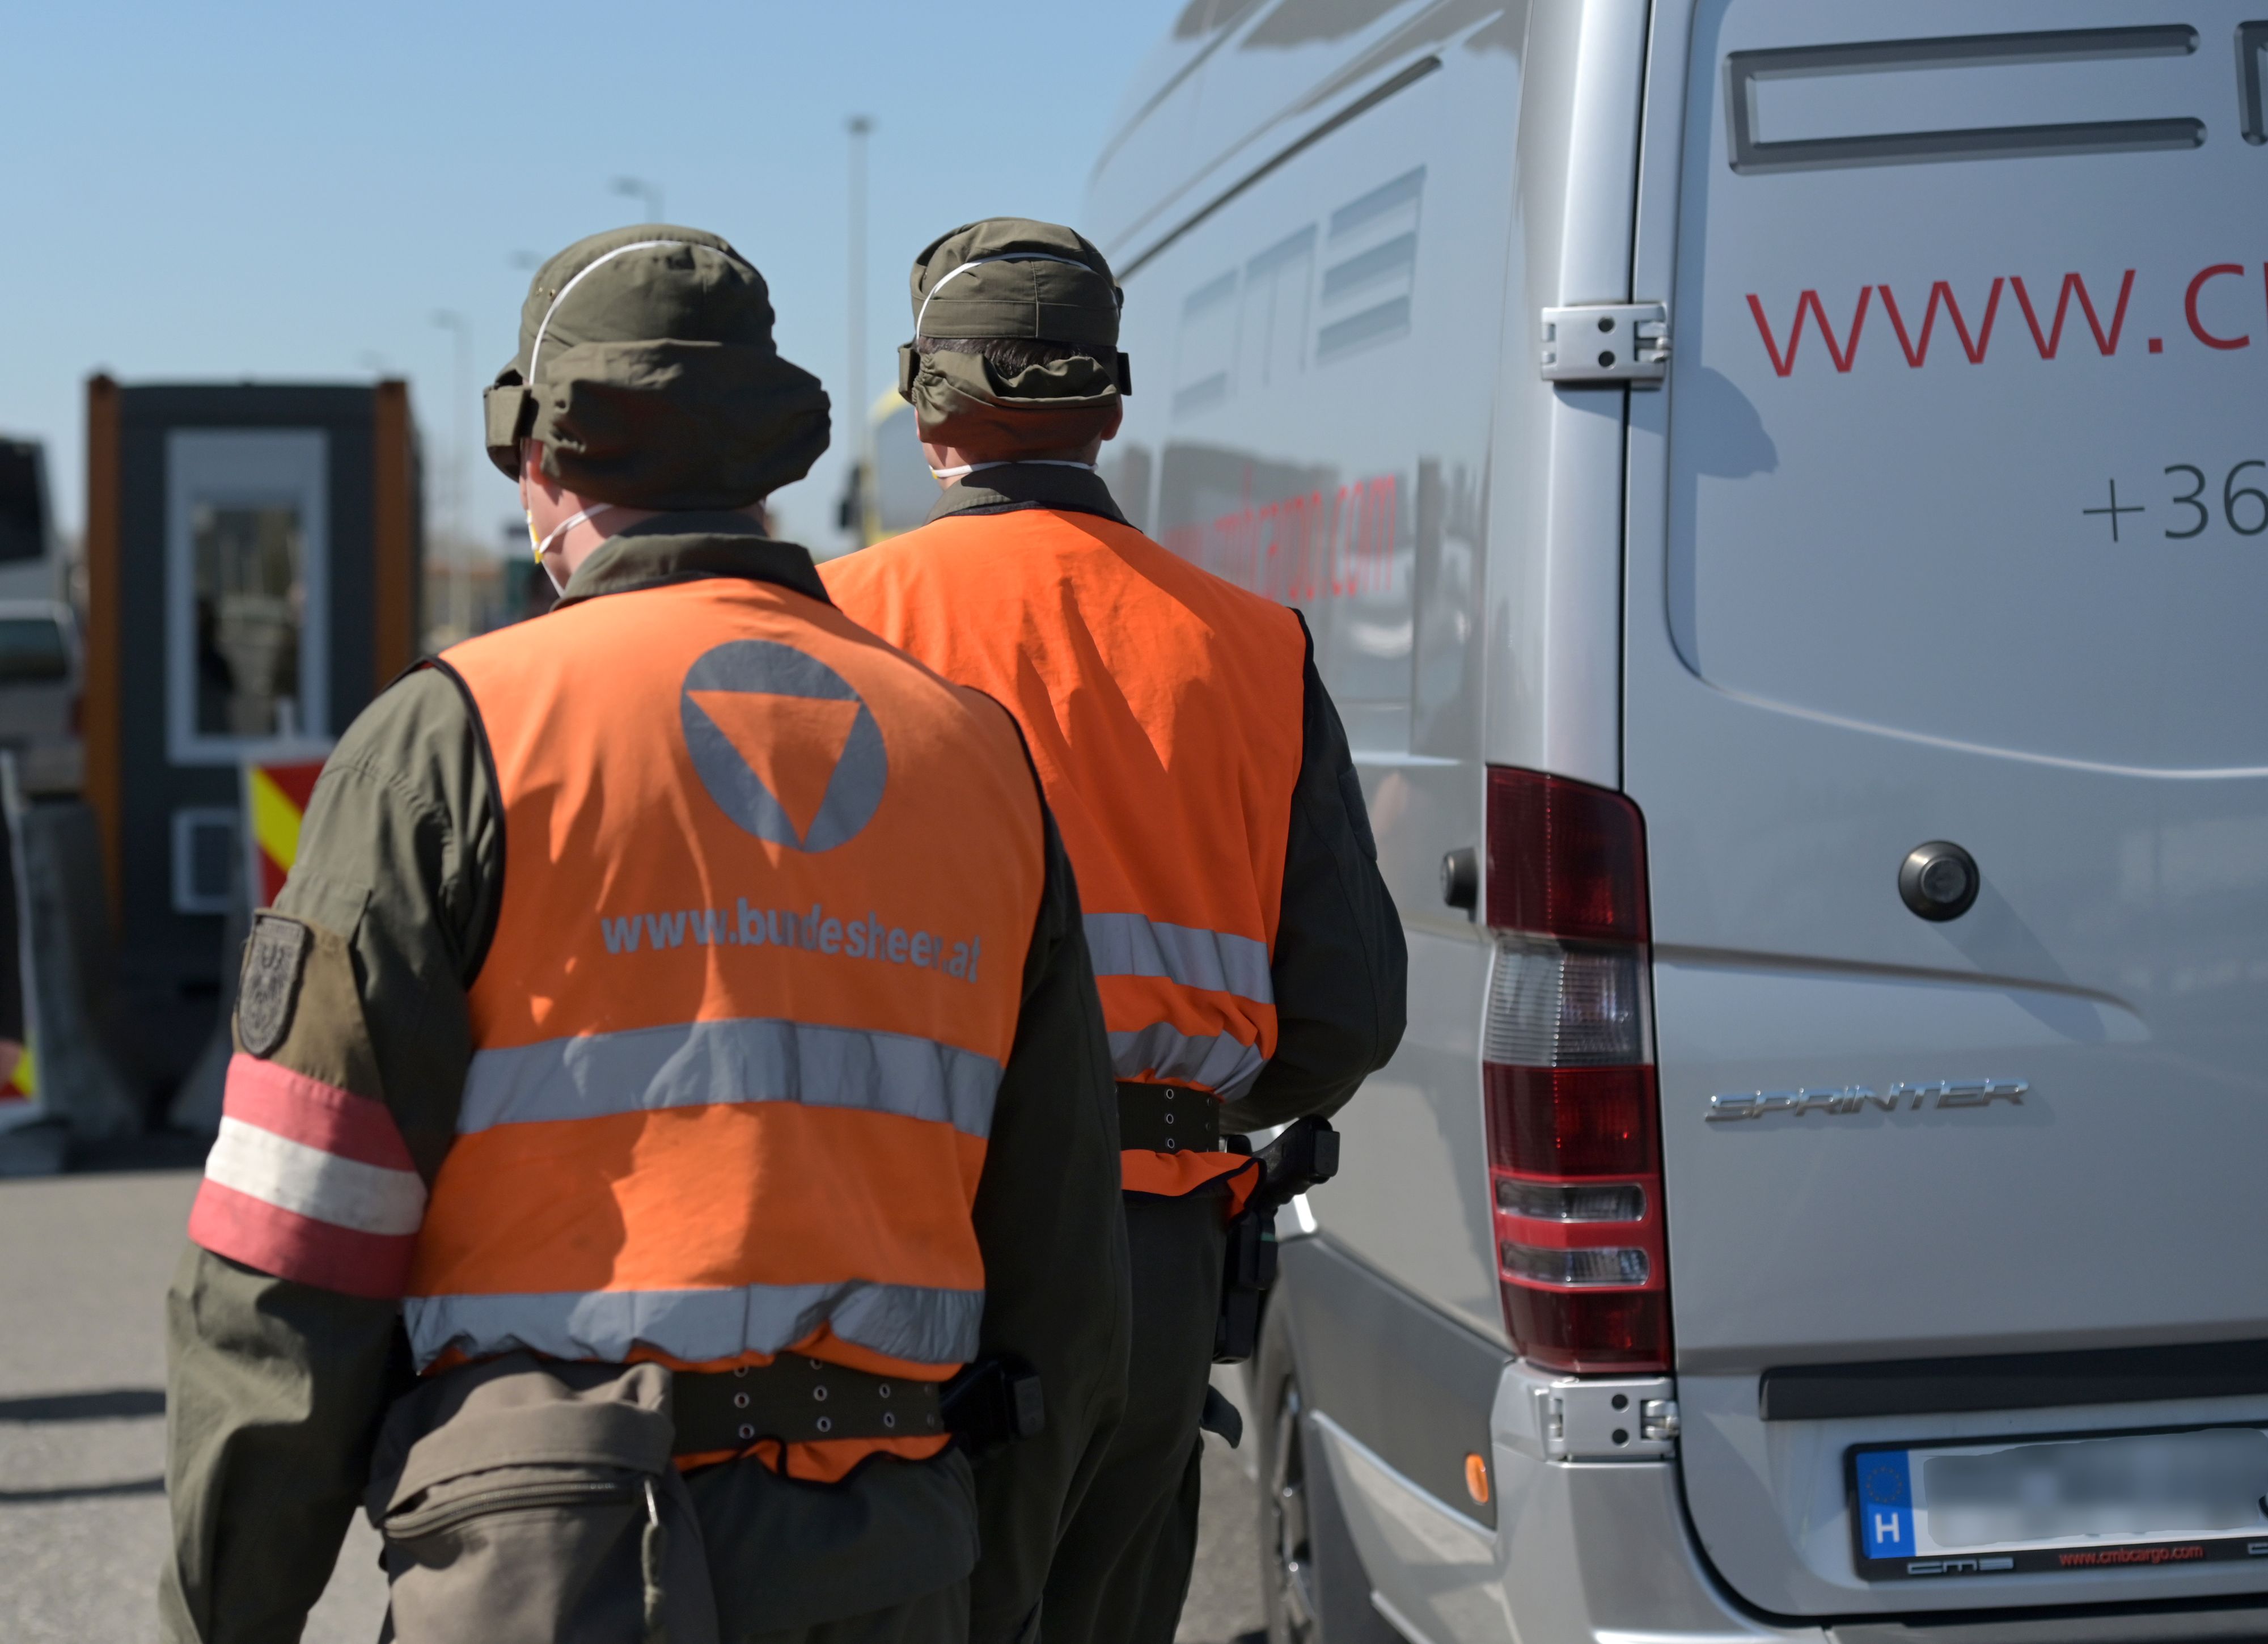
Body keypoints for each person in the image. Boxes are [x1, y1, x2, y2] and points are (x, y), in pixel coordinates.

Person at [162, 226, 1128, 1644]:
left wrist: (226, 1615)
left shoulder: (457, 739)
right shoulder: (972, 755)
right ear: (767, 457)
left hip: (541, 1556)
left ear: (541, 458)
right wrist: (979, 1586)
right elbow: (1060, 1269)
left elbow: (296, 1239)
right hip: (887, 1549)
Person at [822, 218, 1406, 1644]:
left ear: (928, 404)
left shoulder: (835, 623)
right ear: (1112, 402)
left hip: (910, 1233)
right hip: (1153, 1249)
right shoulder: (1253, 643)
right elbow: (1346, 1007)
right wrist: (1184, 1108)